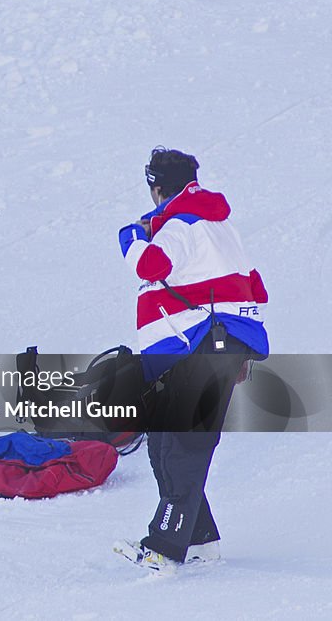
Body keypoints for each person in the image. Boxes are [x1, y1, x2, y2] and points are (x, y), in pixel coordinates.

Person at [114, 147, 269, 572]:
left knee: (182, 445)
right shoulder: (219, 226)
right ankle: (200, 540)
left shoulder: (180, 225)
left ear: (157, 188)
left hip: (200, 345)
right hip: (201, 347)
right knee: (166, 444)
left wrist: (130, 235)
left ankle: (164, 548)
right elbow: (254, 287)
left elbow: (150, 265)